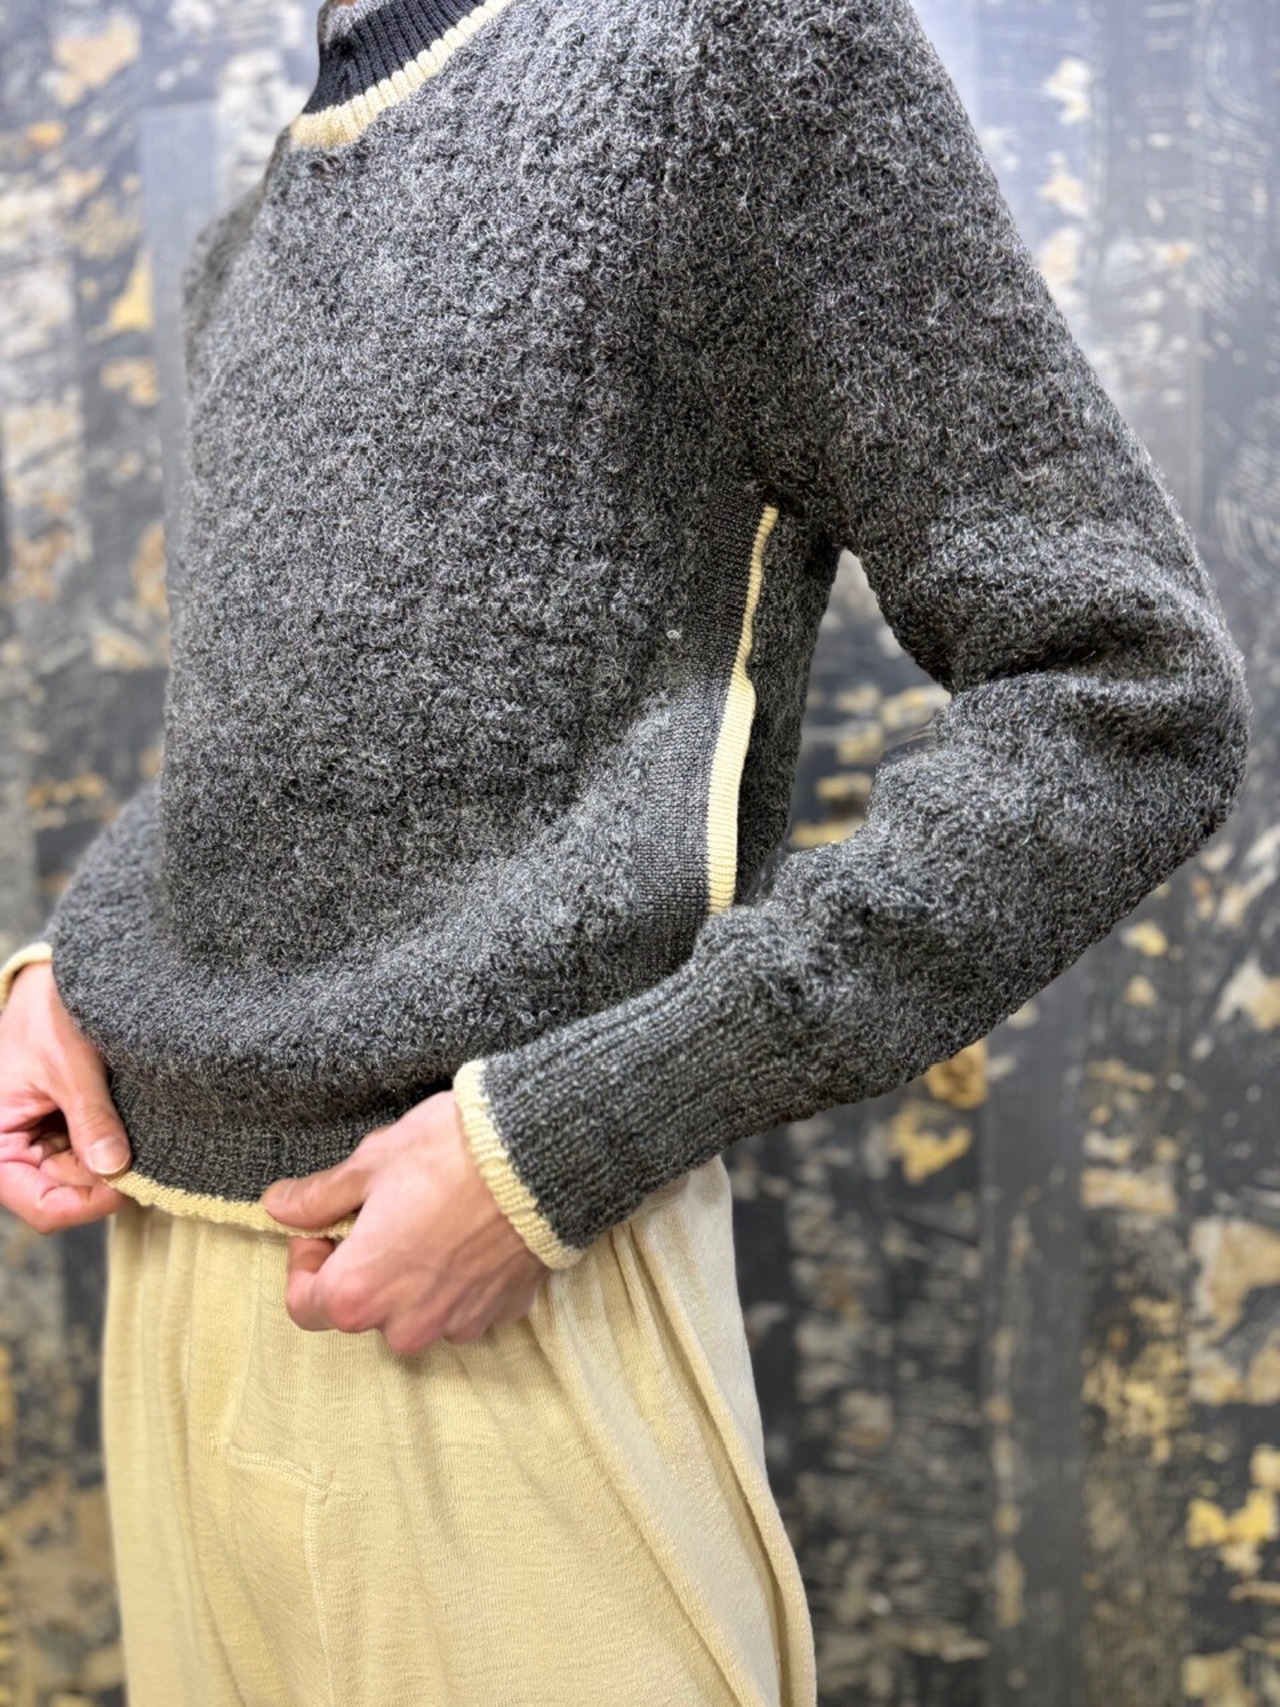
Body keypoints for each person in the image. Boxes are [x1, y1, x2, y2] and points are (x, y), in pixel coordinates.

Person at [0, 0, 1251, 1701]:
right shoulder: (263, 212)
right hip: (166, 1303)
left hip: (499, 1335)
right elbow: (303, 762)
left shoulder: (730, 49)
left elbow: (1128, 693)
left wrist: (580, 1131)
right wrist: (71, 983)